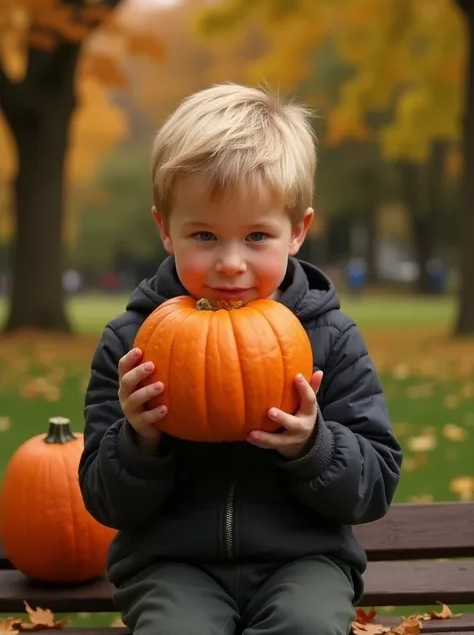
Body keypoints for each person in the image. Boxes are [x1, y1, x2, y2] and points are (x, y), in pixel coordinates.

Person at [79, 84, 402, 635]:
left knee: (308, 627)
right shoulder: (132, 343)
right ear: (165, 230)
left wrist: (311, 445)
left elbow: (375, 485)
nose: (231, 263)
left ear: (297, 231)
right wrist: (139, 440)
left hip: (304, 562)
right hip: (171, 566)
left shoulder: (331, 337)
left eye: (257, 236)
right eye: (204, 234)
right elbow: (104, 500)